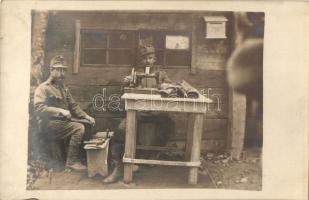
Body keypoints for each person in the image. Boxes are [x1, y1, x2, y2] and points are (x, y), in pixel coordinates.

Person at [102, 45, 174, 183]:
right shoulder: (135, 72)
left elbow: (170, 87)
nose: (147, 61)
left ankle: (153, 155)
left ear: (155, 59)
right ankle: (119, 167)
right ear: (141, 60)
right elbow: (126, 91)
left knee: (169, 124)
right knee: (122, 129)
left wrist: (166, 86)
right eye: (145, 58)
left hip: (156, 111)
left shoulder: (161, 73)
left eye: (150, 58)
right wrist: (126, 84)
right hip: (138, 111)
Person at [34, 55, 95, 171]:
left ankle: (81, 158)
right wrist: (60, 111)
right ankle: (71, 162)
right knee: (78, 128)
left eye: (64, 70)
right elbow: (39, 108)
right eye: (59, 69)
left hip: (62, 123)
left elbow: (73, 105)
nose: (62, 73)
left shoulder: (63, 88)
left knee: (87, 124)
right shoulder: (43, 88)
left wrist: (86, 116)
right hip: (48, 125)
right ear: (52, 70)